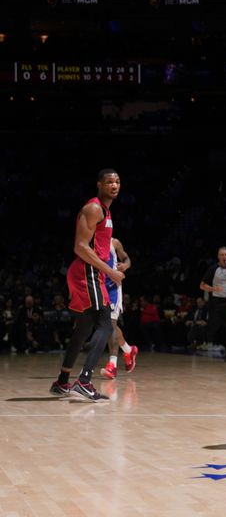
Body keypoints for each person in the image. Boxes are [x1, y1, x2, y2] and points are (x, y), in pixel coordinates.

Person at [50, 169, 125, 401]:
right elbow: (80, 246)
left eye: (117, 182)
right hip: (87, 271)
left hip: (92, 272)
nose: (114, 185)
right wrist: (110, 271)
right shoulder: (93, 208)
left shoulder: (106, 211)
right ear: (99, 185)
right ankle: (84, 380)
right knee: (105, 324)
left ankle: (62, 382)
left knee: (83, 328)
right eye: (109, 182)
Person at [100, 238, 139, 380]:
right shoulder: (91, 241)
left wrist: (126, 266)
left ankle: (112, 365)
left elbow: (127, 259)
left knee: (110, 325)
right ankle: (129, 350)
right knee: (109, 326)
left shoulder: (114, 242)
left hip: (112, 288)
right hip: (98, 287)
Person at [200, 246, 226, 362]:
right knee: (213, 327)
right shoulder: (213, 269)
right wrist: (213, 289)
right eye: (222, 255)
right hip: (215, 302)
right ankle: (197, 336)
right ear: (218, 257)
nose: (224, 257)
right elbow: (202, 285)